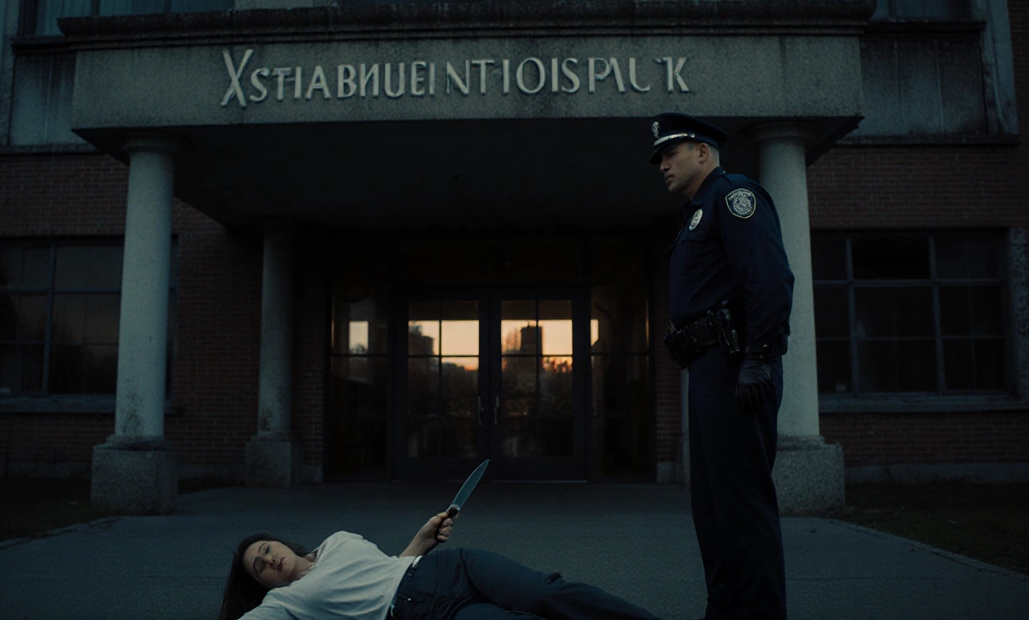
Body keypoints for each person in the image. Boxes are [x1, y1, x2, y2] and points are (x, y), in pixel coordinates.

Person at [650, 113, 794, 620]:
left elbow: (769, 280)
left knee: (743, 506)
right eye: (660, 158)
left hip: (738, 368)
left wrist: (759, 357)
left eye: (671, 153)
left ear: (703, 153)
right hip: (709, 368)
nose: (663, 165)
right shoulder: (698, 212)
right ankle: (726, 609)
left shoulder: (735, 198)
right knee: (712, 509)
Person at [217, 511, 665, 620]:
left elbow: (390, 566)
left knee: (548, 593)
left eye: (265, 549)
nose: (268, 559)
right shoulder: (284, 602)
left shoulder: (335, 541)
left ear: (278, 541)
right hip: (425, 613)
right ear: (262, 582)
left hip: (450, 568)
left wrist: (423, 538)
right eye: (259, 567)